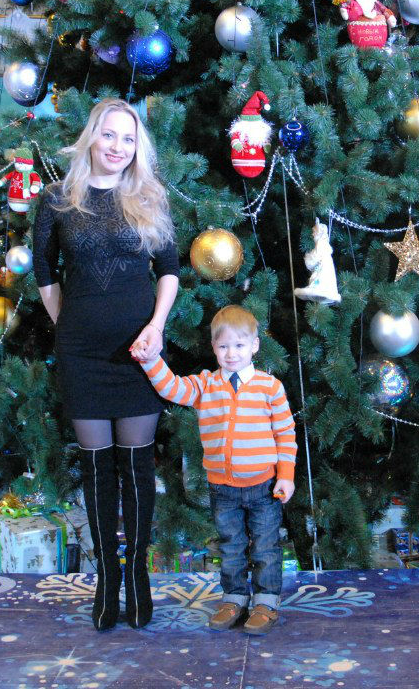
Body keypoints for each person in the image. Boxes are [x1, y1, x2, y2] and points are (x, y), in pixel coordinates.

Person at [32, 98, 179, 631]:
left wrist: (156, 327)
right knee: (97, 469)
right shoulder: (57, 199)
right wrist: (66, 324)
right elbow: (44, 270)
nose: (118, 147)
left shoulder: (149, 195)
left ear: (138, 148)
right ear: (92, 137)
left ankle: (136, 576)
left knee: (136, 467)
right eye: (109, 135)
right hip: (83, 355)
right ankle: (106, 580)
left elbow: (169, 269)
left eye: (129, 139)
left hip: (138, 354)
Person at [133, 305, 296, 635]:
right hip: (222, 488)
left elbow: (285, 433)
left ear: (254, 345)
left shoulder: (270, 387)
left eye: (239, 345)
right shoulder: (205, 385)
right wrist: (150, 361)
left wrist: (286, 475)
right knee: (231, 546)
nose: (231, 354)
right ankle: (234, 598)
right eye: (223, 346)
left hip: (264, 487)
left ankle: (266, 602)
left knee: (265, 546)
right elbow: (172, 388)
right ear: (213, 348)